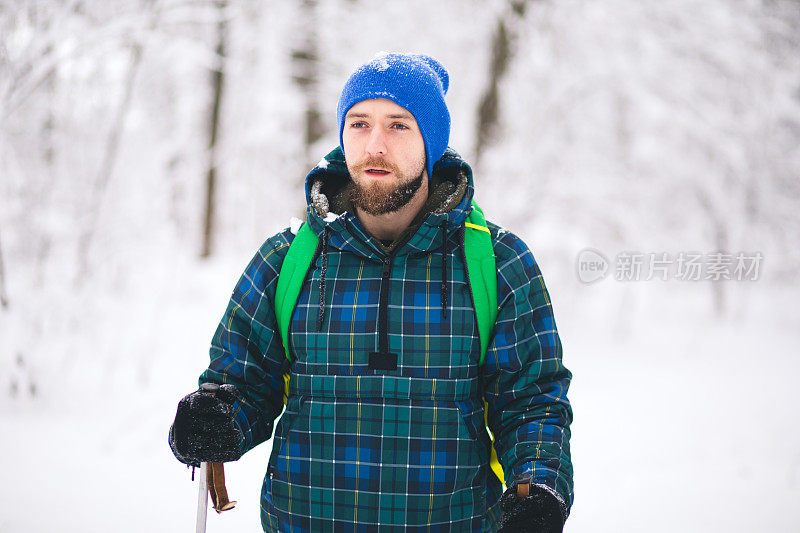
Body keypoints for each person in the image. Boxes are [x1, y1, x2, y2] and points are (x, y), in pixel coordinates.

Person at [169, 52, 573, 532]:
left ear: (432, 142)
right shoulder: (287, 260)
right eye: (359, 124)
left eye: (398, 126)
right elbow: (243, 384)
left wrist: (538, 486)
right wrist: (213, 419)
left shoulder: (497, 262)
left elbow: (531, 400)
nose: (374, 145)